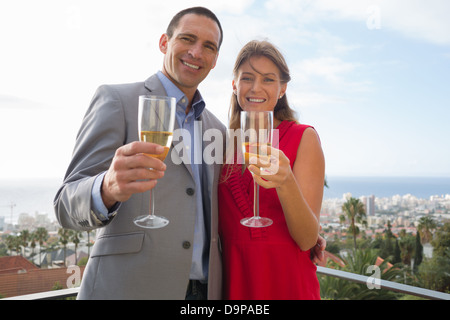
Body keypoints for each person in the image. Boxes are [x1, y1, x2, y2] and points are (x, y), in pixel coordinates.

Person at [54, 7, 226, 300]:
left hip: (203, 294)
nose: (197, 52)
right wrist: (106, 188)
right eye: (187, 39)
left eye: (208, 46)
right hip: (128, 288)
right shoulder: (117, 100)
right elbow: (65, 204)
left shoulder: (217, 129)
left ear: (214, 59)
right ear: (164, 43)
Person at [218, 40, 326, 299]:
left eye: (268, 79)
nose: (256, 88)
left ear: (282, 89)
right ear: (234, 85)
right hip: (234, 284)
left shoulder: (304, 138)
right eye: (247, 78)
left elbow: (307, 240)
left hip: (288, 284)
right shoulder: (220, 144)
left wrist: (286, 181)